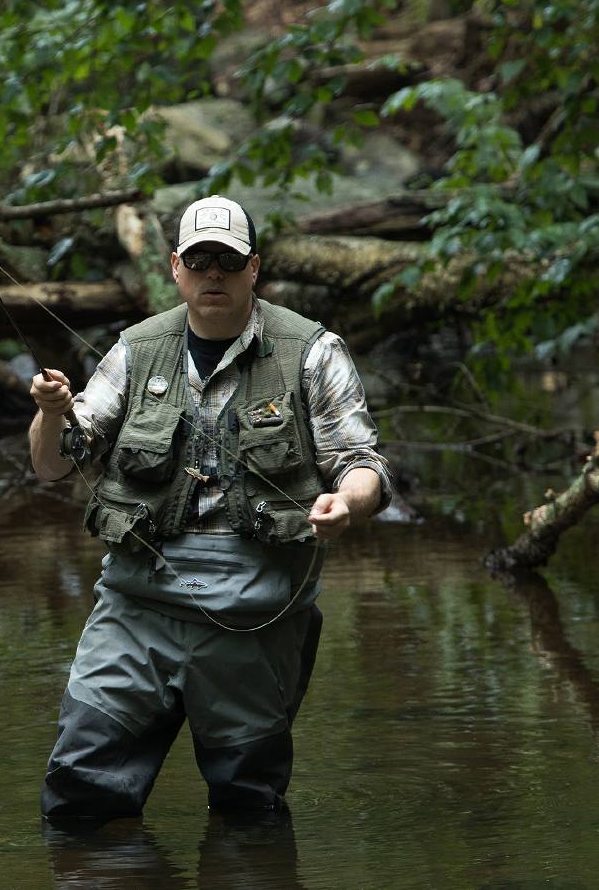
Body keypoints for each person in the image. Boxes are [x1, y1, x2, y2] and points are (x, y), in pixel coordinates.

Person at [28, 195, 391, 820]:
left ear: (255, 268)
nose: (213, 274)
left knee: (246, 811)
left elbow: (364, 462)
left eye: (227, 260)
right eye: (200, 260)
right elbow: (54, 463)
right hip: (137, 604)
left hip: (256, 610)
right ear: (175, 267)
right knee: (78, 796)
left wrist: (348, 505)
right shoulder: (136, 351)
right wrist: (51, 414)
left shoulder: (311, 350)